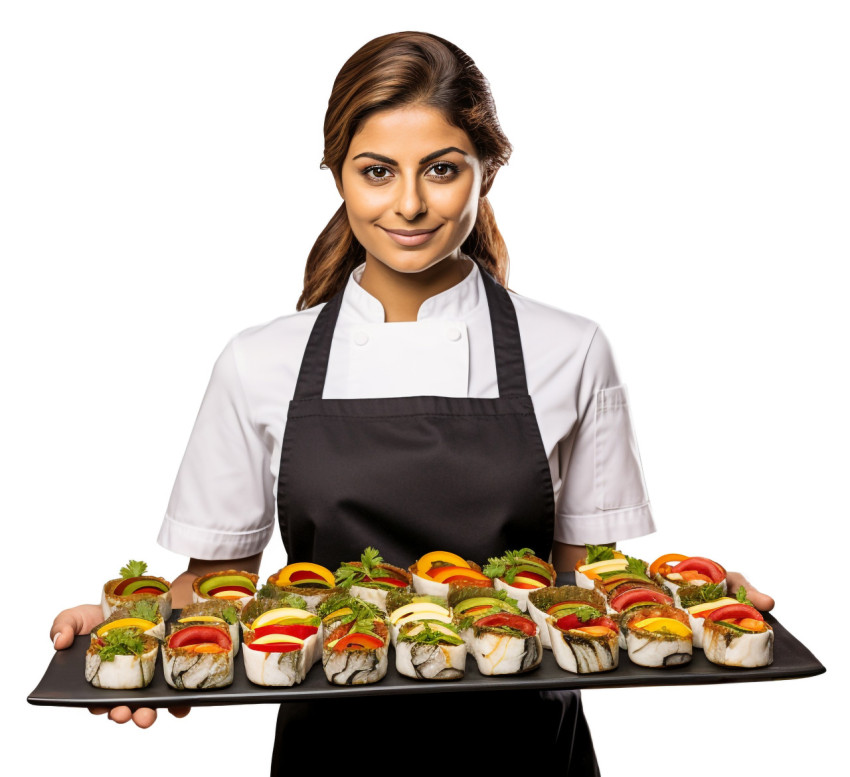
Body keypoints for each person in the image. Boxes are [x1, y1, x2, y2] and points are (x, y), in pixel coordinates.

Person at [50, 31, 774, 774]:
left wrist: (701, 602)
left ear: (487, 170)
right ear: (338, 176)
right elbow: (215, 592)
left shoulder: (572, 348)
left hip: (527, 749)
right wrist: (122, 626)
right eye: (376, 171)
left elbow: (583, 582)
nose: (409, 203)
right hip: (333, 752)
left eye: (442, 170)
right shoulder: (259, 361)